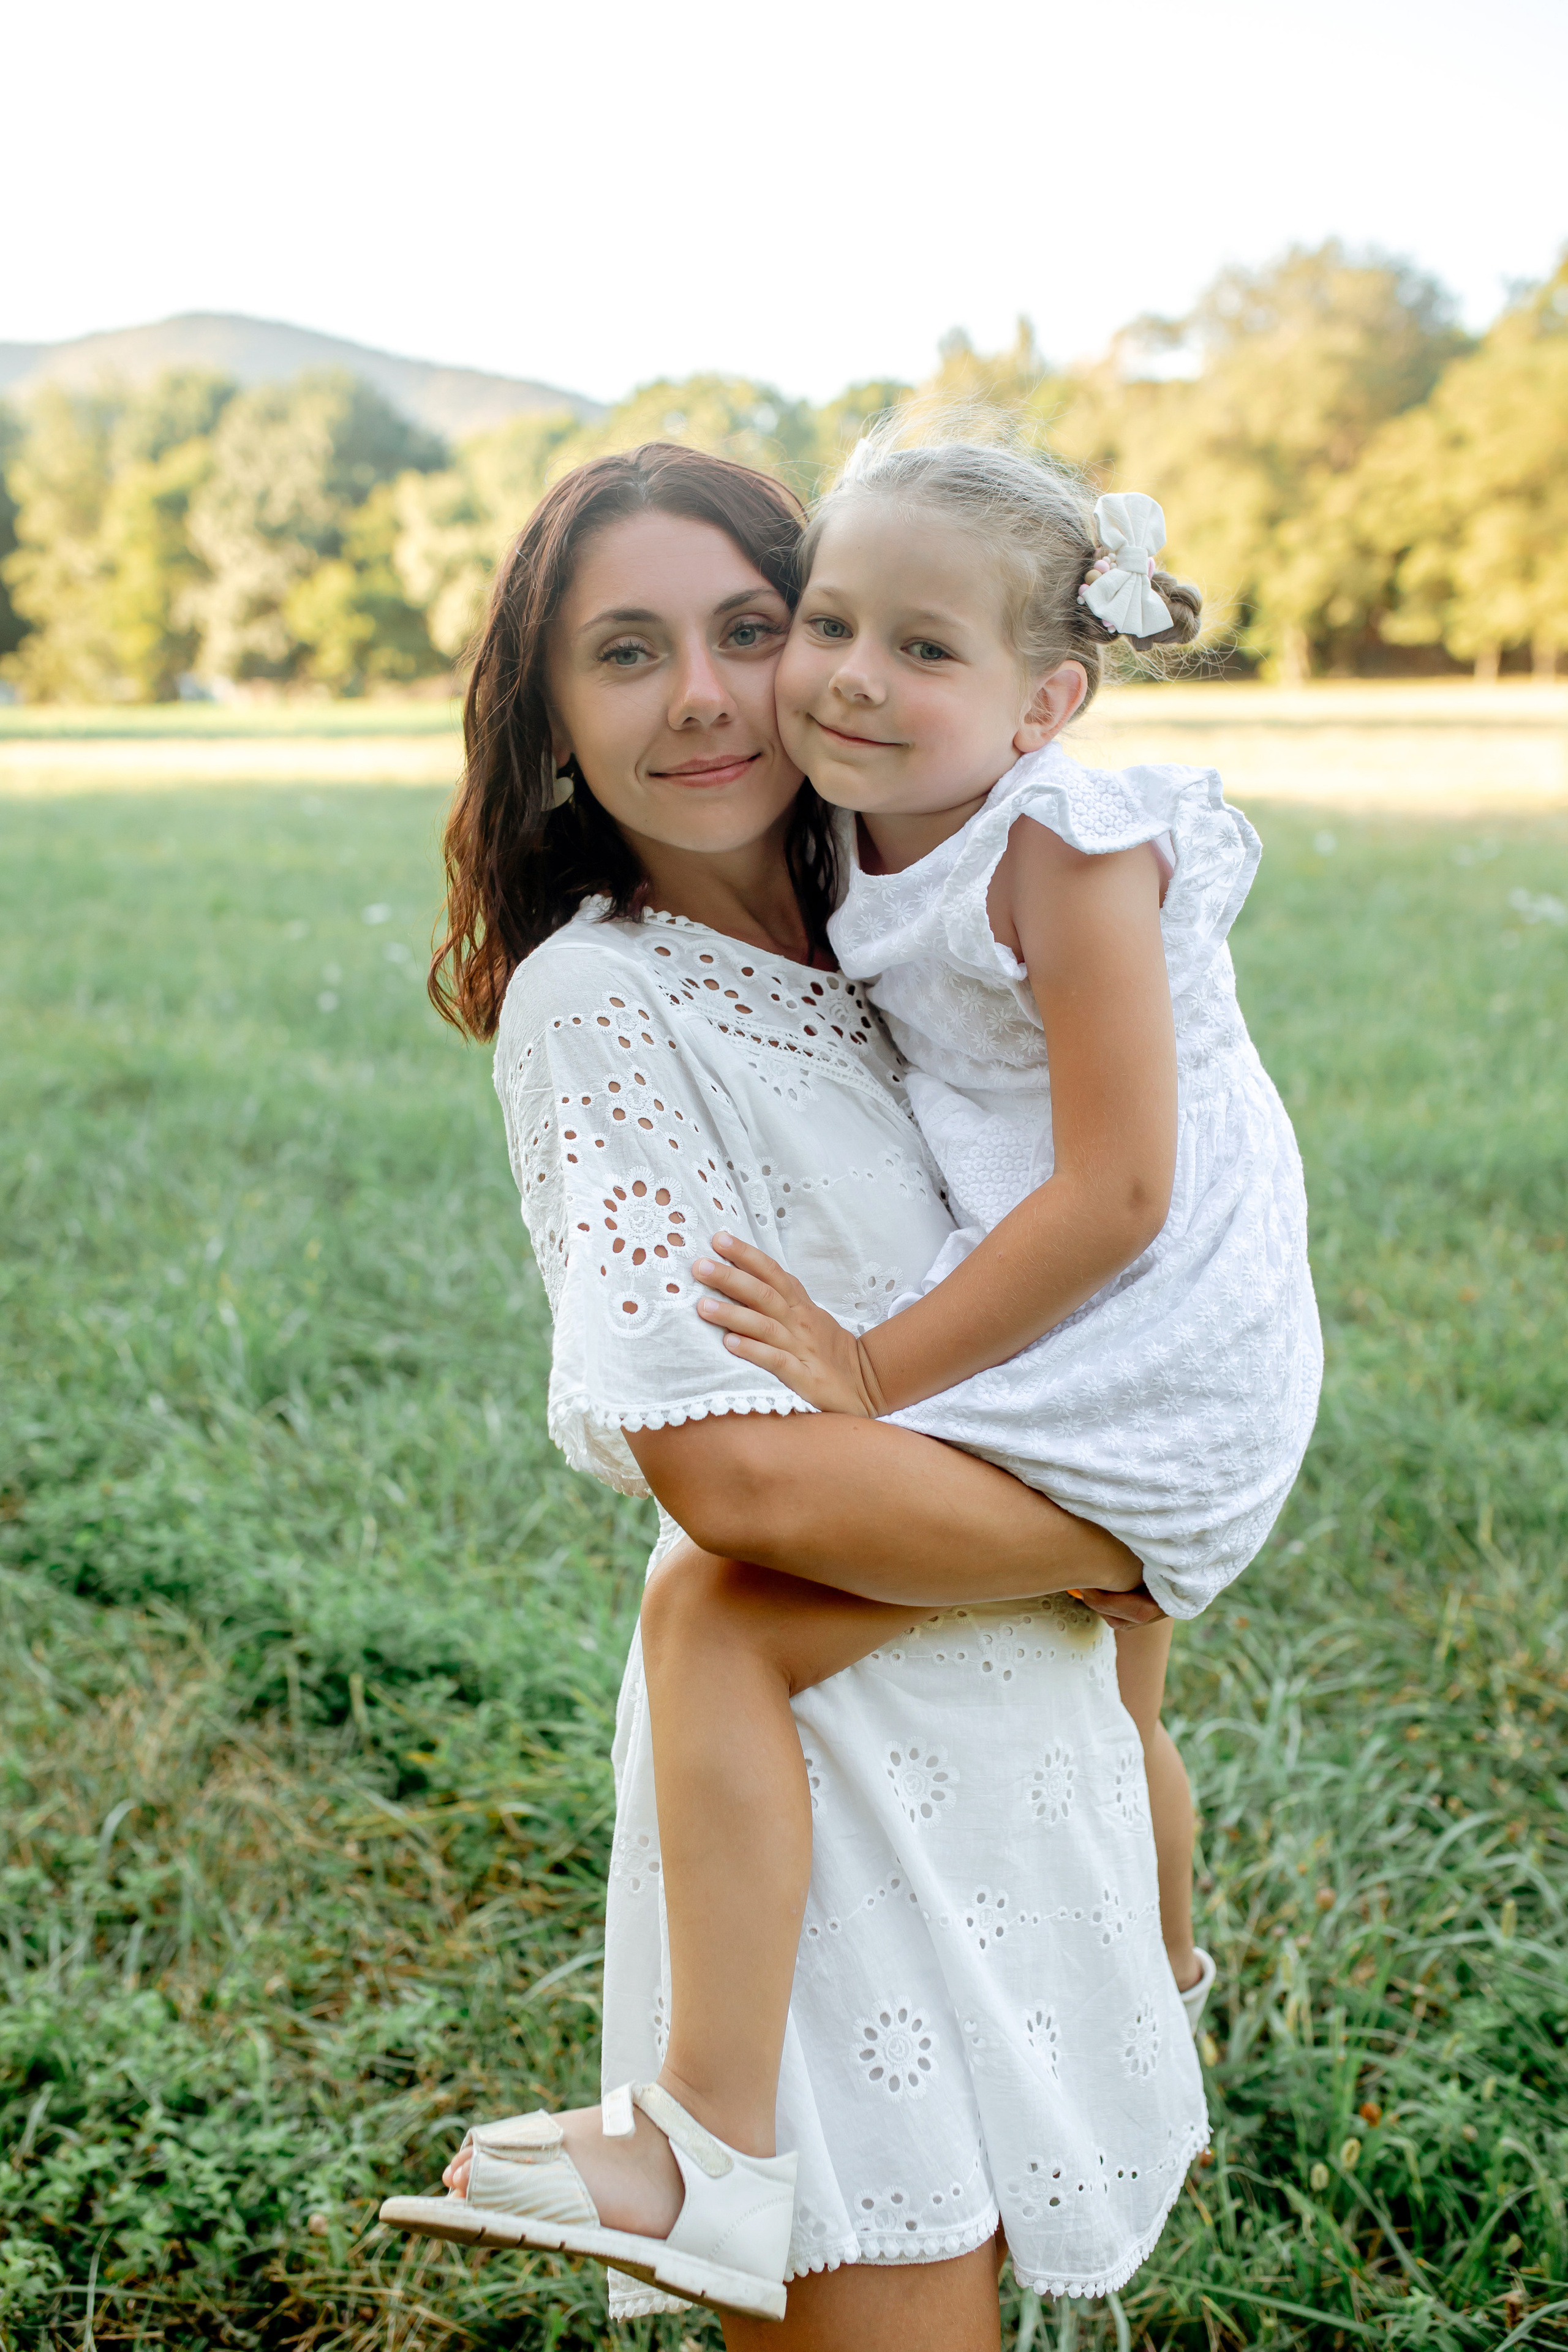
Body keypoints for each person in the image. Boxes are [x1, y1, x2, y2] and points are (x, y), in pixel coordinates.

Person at [379, 442, 1208, 2348]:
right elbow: (734, 1490)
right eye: (622, 652)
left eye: (750, 627)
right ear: (548, 725)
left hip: (1019, 1733)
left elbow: (1130, 1218)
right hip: (824, 1792)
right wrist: (1112, 1528)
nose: (701, 696)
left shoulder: (919, 930)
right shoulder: (610, 998)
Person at [692, 437, 1322, 2037]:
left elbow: (1123, 1192)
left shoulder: (1067, 848)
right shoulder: (859, 809)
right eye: (827, 624)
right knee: (1109, 1717)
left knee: (754, 1612)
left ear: (1046, 706)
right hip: (1065, 1290)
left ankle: (1124, 2017)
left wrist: (871, 1370)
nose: (849, 678)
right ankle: (1156, 2022)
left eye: (925, 648)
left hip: (1164, 1327)